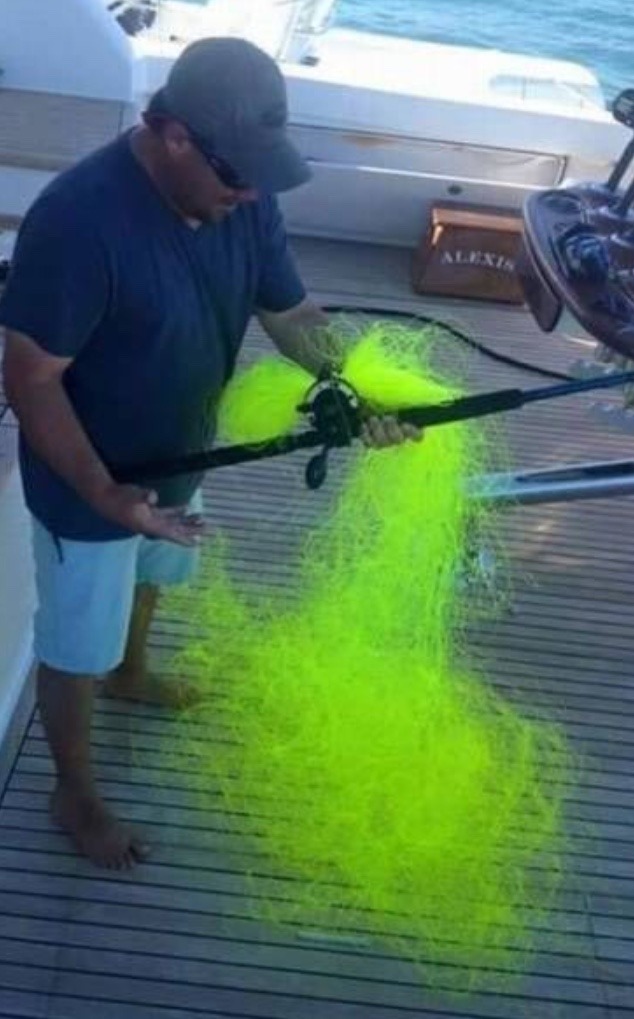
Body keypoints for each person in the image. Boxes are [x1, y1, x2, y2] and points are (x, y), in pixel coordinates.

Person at [0, 38, 419, 870]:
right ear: (173, 135)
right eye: (238, 174)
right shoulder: (76, 223)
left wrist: (358, 386)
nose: (252, 191)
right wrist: (105, 492)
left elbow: (291, 313)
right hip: (90, 486)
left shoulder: (243, 194)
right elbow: (29, 377)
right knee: (75, 645)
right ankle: (73, 792)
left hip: (184, 454)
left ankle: (133, 672)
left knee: (155, 575)